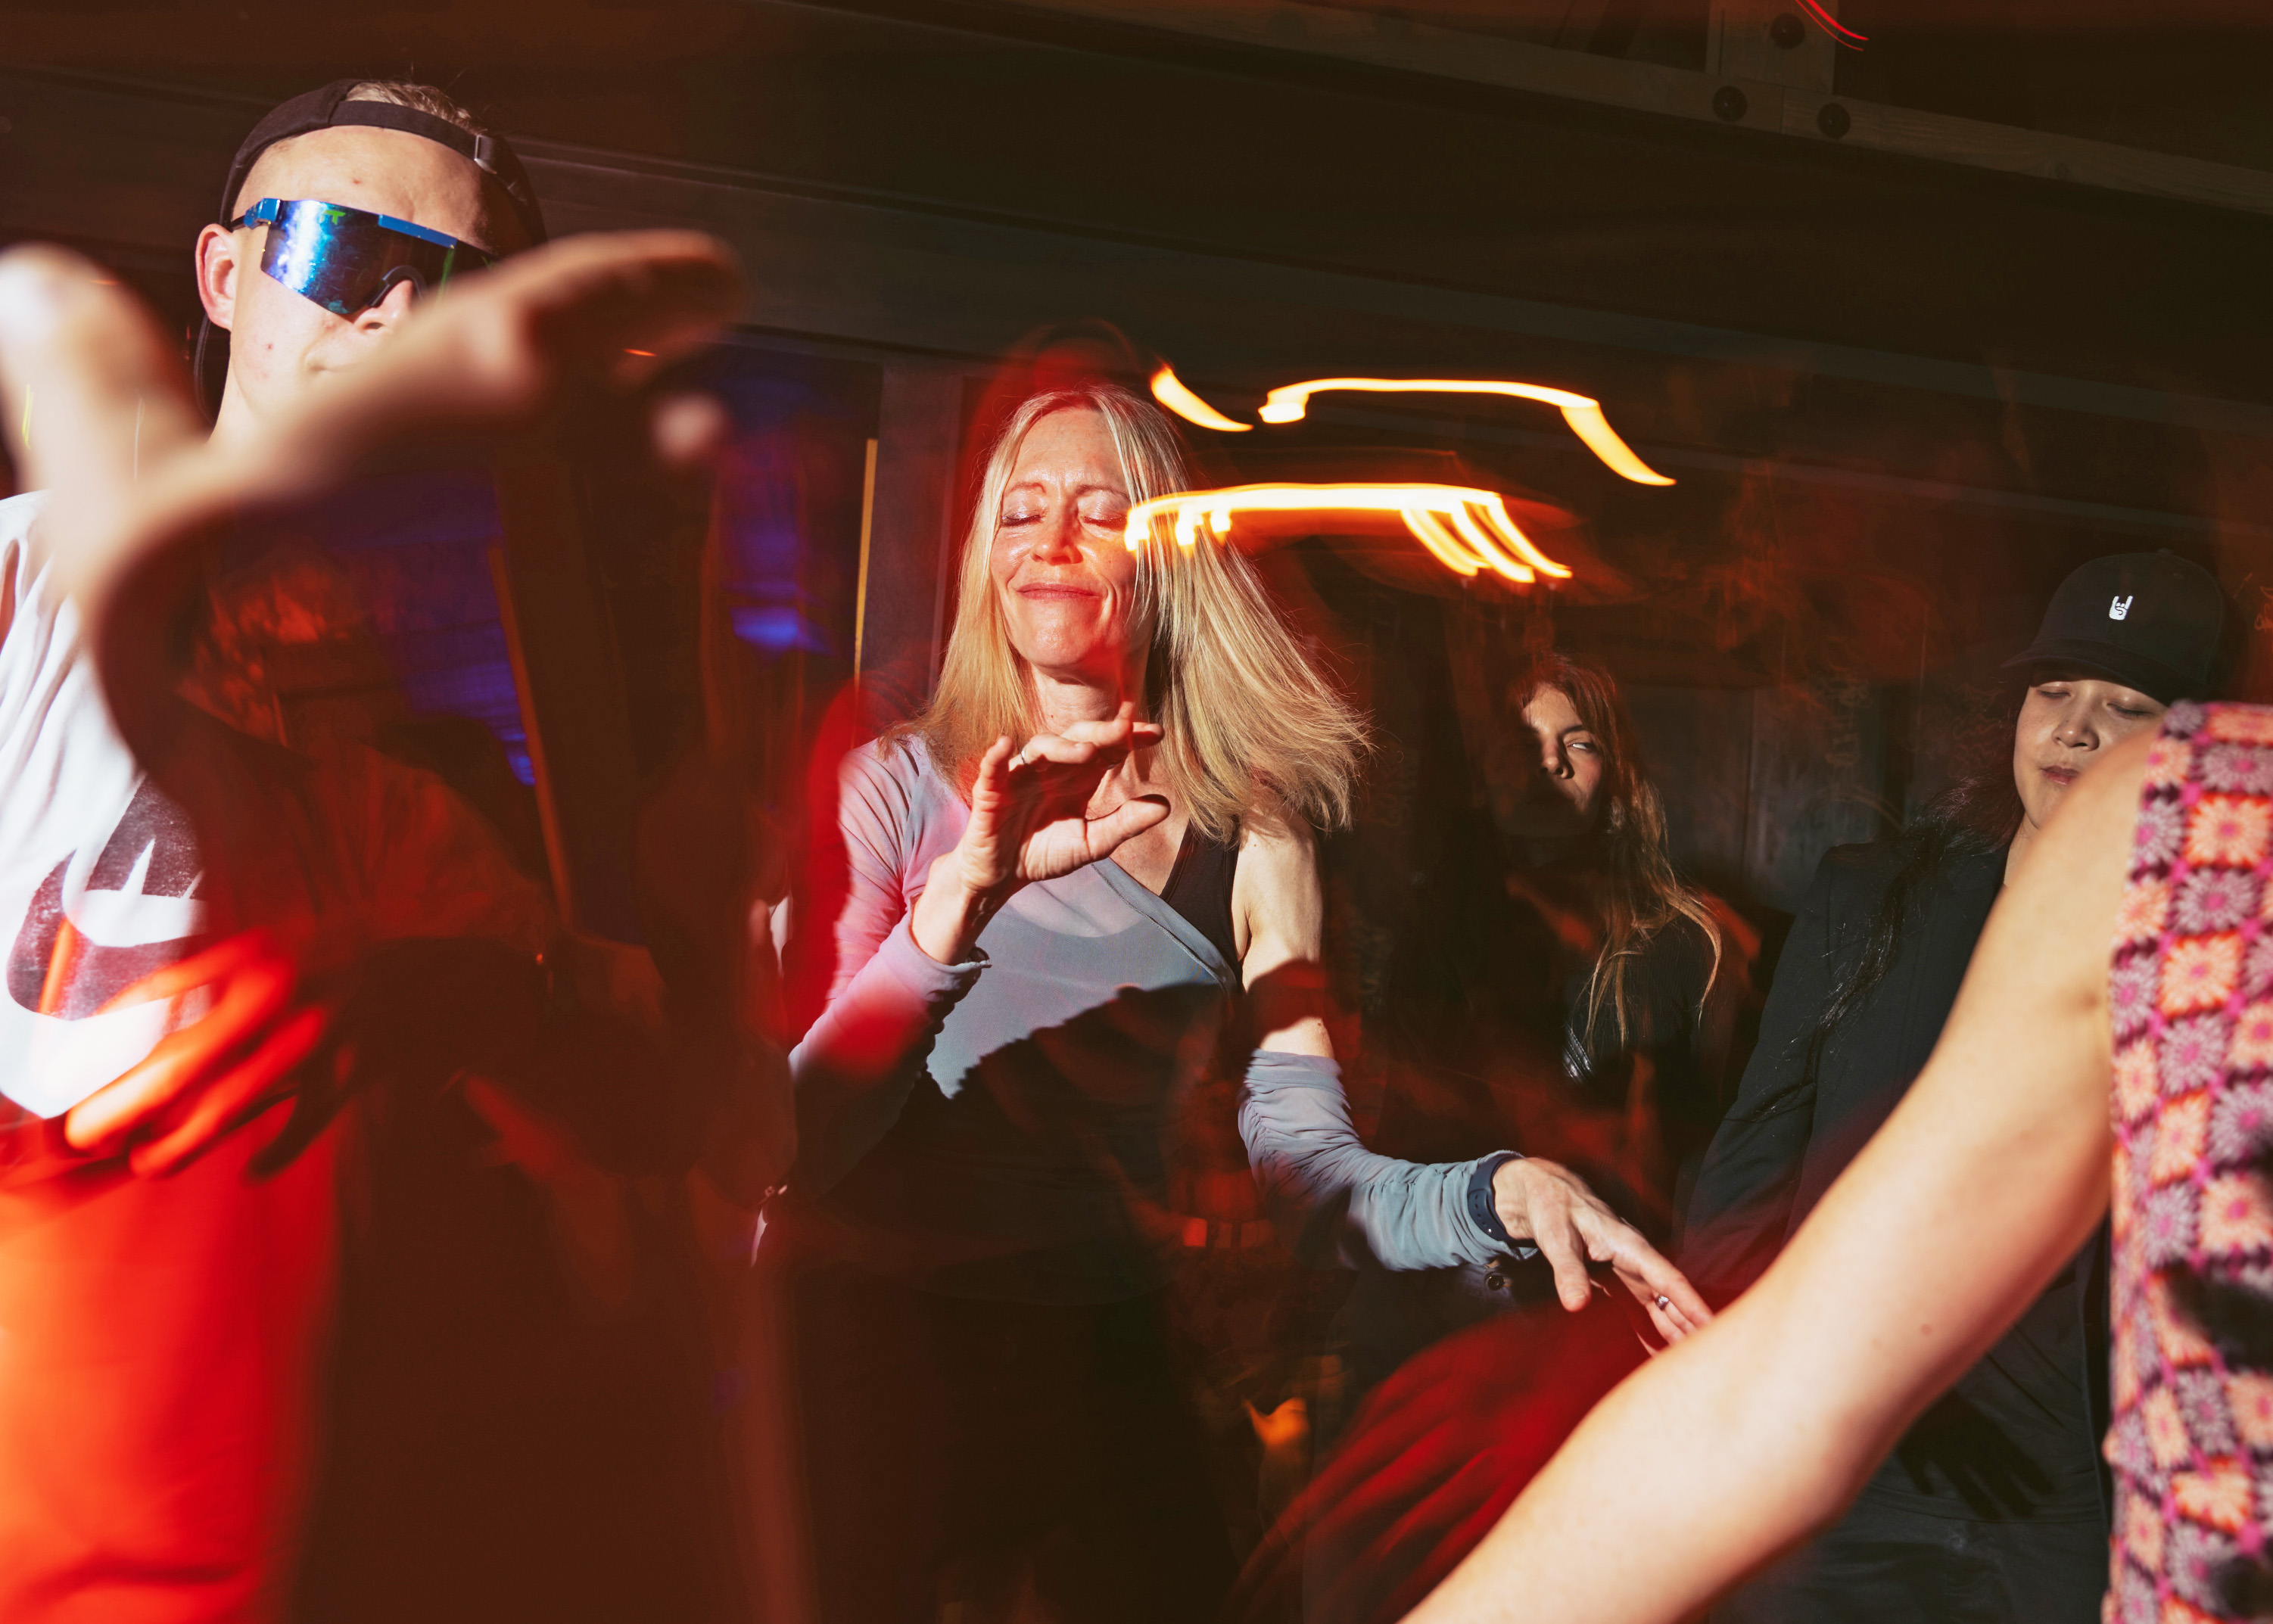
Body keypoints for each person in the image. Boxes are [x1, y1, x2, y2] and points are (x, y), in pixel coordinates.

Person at [777, 382, 1708, 1622]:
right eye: (1019, 512)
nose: (1050, 541)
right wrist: (964, 897)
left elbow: (1301, 1165)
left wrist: (1493, 1190)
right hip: (877, 1342)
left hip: (1098, 1346)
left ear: (1163, 562)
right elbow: (801, 1138)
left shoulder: (1247, 830)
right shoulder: (891, 791)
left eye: (1096, 511)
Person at [0, 79, 743, 1622]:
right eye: (344, 251)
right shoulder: (22, 591)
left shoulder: (479, 736)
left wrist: (458, 1000)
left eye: (458, 287)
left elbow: (647, 1131)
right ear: (225, 276)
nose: (401, 310)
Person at [1400, 717, 2272, 1613]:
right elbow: (1783, 1343)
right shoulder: (2201, 824)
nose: (2081, 726)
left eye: (1574, 745)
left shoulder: (1688, 939)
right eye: (2056, 688)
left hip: (2037, 1483)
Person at [1680, 550, 2228, 1624]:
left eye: (2123, 705)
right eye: (2051, 691)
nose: (2071, 729)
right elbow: (1744, 1176)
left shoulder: (2206, 972)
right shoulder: (1871, 901)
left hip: (2064, 1507)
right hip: (1852, 1467)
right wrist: (1742, 1420)